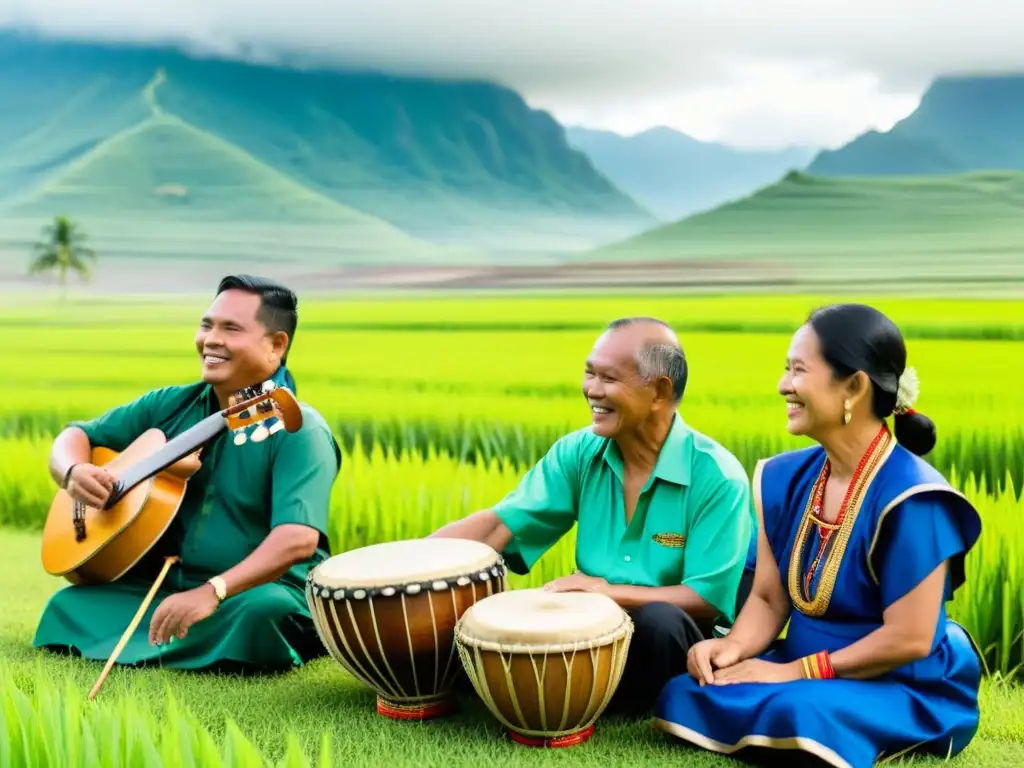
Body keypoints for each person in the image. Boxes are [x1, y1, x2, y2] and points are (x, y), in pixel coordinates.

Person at [653, 303, 983, 767]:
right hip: (803, 668)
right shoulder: (785, 479)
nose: (783, 385)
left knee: (799, 711)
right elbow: (768, 599)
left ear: (854, 386)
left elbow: (910, 637)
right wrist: (732, 648)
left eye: (798, 370)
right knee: (688, 691)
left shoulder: (914, 499)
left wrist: (794, 671)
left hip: (898, 679)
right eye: (786, 369)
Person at [430, 317, 756, 715]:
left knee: (658, 622)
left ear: (659, 391)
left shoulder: (717, 476)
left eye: (608, 378)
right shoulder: (579, 453)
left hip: (678, 639)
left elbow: (704, 598)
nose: (592, 390)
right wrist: (414, 563)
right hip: (590, 628)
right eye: (589, 373)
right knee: (480, 631)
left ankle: (594, 699)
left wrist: (607, 593)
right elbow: (502, 523)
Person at [33, 275, 342, 674]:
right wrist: (73, 471)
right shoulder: (169, 405)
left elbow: (297, 541)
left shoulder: (299, 429)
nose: (211, 339)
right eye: (206, 325)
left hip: (251, 592)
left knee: (262, 615)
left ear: (276, 345)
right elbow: (77, 435)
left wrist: (214, 590)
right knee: (68, 606)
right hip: (166, 582)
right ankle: (192, 641)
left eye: (231, 328)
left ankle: (185, 636)